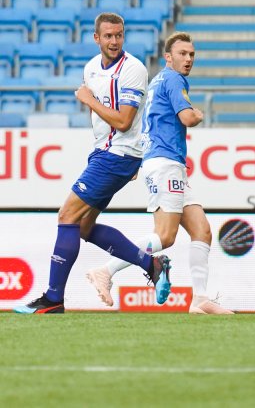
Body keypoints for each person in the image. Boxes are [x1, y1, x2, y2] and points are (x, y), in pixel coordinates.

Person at [14, 13, 171, 314]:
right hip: (106, 153)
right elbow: (100, 119)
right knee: (83, 226)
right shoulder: (91, 68)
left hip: (118, 155)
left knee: (67, 215)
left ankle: (53, 297)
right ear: (96, 38)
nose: (114, 41)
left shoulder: (133, 69)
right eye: (108, 36)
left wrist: (89, 101)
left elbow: (124, 122)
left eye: (119, 35)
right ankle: (151, 264)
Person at [85, 32, 233, 315]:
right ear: (168, 57)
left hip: (163, 161)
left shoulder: (157, 82)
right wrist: (199, 113)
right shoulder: (174, 79)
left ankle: (200, 298)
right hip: (165, 163)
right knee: (165, 236)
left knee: (201, 230)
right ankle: (105, 270)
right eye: (182, 54)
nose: (188, 59)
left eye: (191, 54)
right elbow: (188, 117)